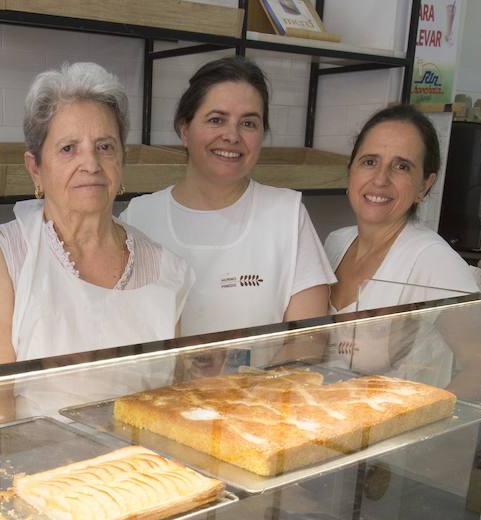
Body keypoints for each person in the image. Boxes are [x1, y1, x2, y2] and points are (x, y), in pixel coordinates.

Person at [0, 62, 193, 419]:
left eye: (105, 146)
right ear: (35, 167)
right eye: (68, 148)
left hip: (146, 467)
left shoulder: (166, 268)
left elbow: (171, 403)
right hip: (37, 467)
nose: (91, 164)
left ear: (122, 160)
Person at [121, 56, 333, 340]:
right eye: (216, 120)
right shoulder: (139, 219)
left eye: (248, 123)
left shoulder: (288, 214)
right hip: (165, 385)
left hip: (265, 384)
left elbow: (308, 342)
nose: (232, 136)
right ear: (185, 130)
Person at [323, 104, 481, 398]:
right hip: (326, 423)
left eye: (402, 166)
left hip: (395, 436)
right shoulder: (334, 244)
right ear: (350, 170)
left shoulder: (433, 262)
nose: (380, 179)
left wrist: (424, 424)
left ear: (425, 185)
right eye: (369, 162)